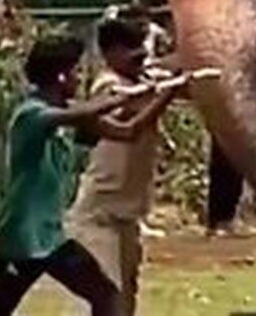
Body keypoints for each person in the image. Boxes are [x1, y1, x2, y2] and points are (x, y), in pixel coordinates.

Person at [0, 34, 192, 316]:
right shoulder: (31, 115)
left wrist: (167, 92)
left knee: (106, 297)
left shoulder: (66, 112)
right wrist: (128, 93)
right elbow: (86, 112)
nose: (78, 79)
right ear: (59, 76)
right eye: (74, 72)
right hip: (19, 239)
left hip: (51, 239)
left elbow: (128, 131)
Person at [69, 17, 177, 316]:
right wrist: (166, 91)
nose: (141, 62)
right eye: (134, 56)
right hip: (99, 214)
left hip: (128, 215)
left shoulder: (141, 82)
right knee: (107, 299)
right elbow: (129, 121)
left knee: (127, 299)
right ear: (110, 54)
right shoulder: (109, 85)